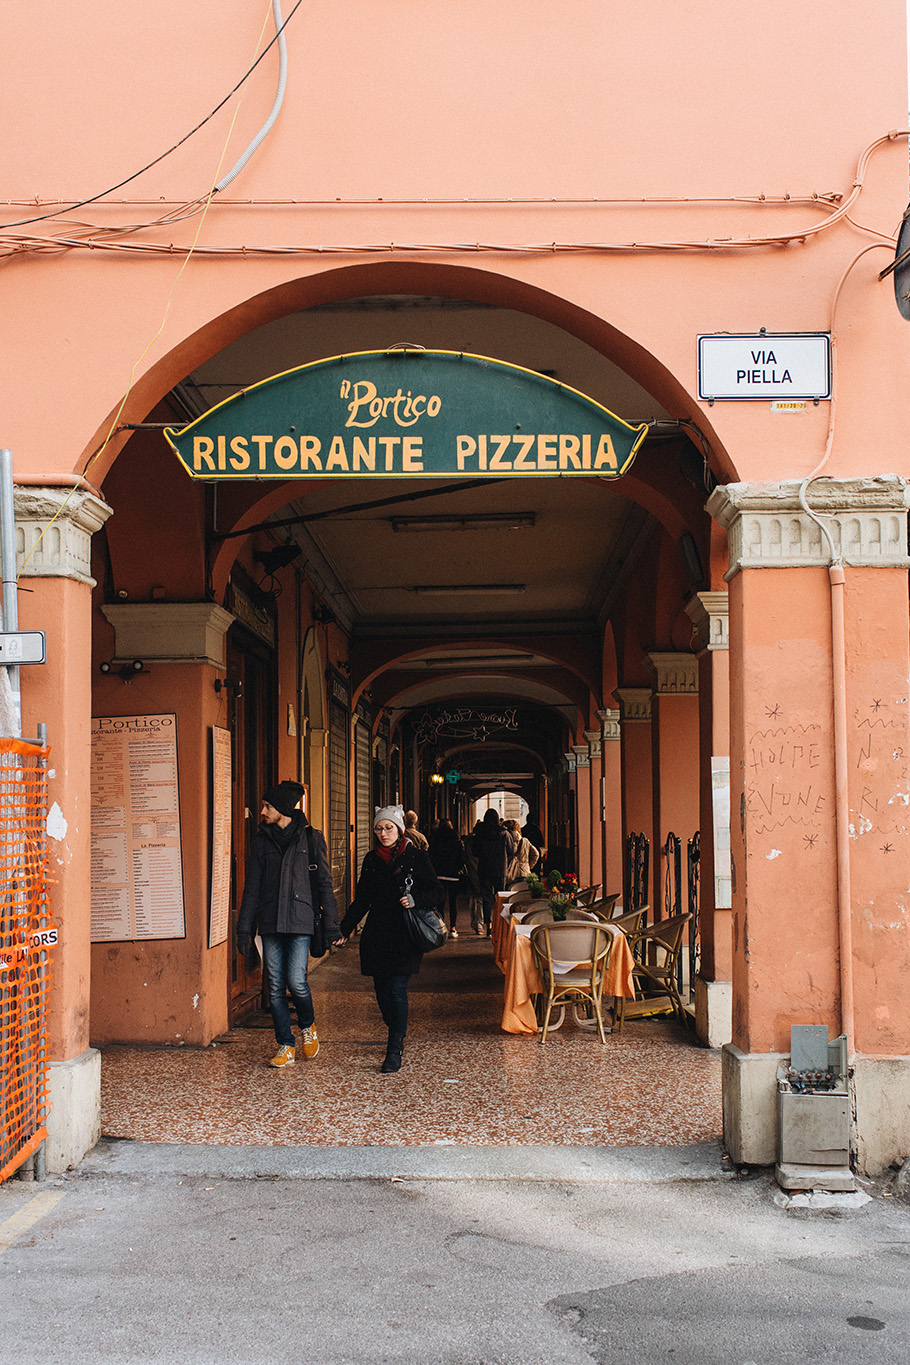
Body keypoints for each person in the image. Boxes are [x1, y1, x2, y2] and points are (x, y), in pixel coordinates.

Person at [236, 780, 340, 1069]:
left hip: (300, 919)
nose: (263, 812)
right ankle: (285, 1044)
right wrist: (244, 927)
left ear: (281, 809)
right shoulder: (261, 840)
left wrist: (332, 926)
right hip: (269, 920)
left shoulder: (311, 838)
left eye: (267, 806)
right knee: (274, 987)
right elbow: (252, 887)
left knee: (296, 981)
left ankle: (308, 1026)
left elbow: (324, 884)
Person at [338, 805, 442, 1073]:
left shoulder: (416, 857)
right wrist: (344, 928)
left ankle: (394, 1048)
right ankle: (396, 1027)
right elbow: (362, 899)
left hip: (405, 936)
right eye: (379, 828)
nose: (383, 833)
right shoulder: (371, 860)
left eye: (388, 828)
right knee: (382, 993)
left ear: (399, 829)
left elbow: (436, 892)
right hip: (377, 935)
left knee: (397, 990)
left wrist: (415, 898)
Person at [473, 807, 510, 935]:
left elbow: (475, 851)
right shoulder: (505, 833)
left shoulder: (480, 834)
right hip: (500, 869)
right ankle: (499, 925)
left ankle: (489, 926)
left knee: (486, 898)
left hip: (484, 869)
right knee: (501, 898)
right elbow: (511, 850)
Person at [427, 818, 465, 937]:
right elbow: (461, 858)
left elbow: (430, 856)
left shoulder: (434, 839)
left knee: (440, 903)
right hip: (453, 876)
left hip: (439, 875)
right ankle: (453, 928)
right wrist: (457, 868)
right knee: (453, 902)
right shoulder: (456, 840)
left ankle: (440, 926)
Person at [462, 823, 486, 935]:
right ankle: (479, 924)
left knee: (472, 899)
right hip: (480, 873)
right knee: (480, 899)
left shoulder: (468, 842)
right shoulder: (481, 842)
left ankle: (474, 922)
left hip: (469, 873)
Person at [503, 818, 539, 886]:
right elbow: (536, 854)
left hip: (510, 875)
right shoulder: (525, 841)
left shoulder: (505, 841)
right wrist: (529, 866)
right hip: (525, 873)